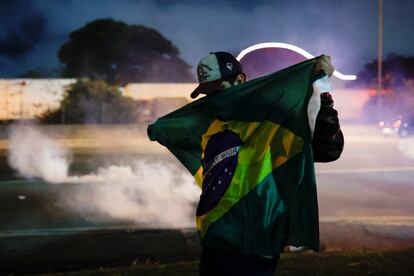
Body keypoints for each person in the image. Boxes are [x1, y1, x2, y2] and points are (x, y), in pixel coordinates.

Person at [189, 52, 344, 276]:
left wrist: (322, 94)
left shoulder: (271, 118)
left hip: (254, 242)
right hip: (216, 240)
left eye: (218, 89)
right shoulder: (211, 120)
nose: (215, 98)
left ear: (240, 80)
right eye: (208, 93)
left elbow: (327, 150)